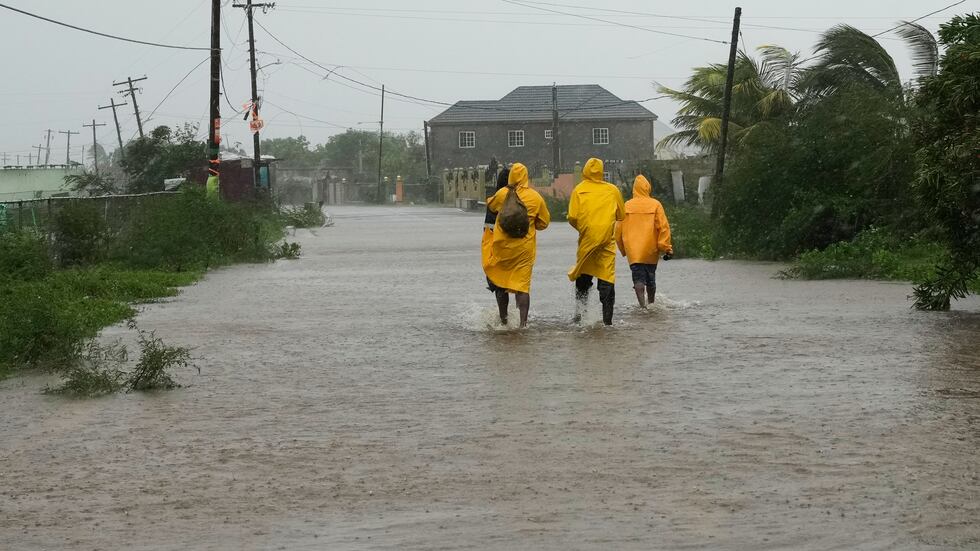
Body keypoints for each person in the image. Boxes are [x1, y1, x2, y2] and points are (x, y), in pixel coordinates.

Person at [483, 163, 551, 327]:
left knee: (501, 283)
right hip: (524, 250)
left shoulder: (503, 194)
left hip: (503, 248)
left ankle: (503, 321)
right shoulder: (535, 197)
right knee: (522, 287)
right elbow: (544, 223)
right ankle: (523, 324)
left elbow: (491, 206)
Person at [567, 158, 625, 325]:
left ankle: (580, 317)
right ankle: (607, 321)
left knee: (583, 276)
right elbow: (621, 215)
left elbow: (572, 217)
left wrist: (585, 228)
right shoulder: (612, 190)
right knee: (607, 277)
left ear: (584, 170)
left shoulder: (579, 190)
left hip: (587, 240)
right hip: (607, 241)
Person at [615, 175, 673, 308]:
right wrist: (666, 247)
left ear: (634, 189)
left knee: (638, 278)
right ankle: (651, 304)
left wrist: (624, 250)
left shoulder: (626, 205)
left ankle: (642, 306)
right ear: (648, 188)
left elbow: (617, 231)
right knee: (651, 278)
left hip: (634, 251)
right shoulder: (655, 204)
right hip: (651, 249)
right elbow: (663, 227)